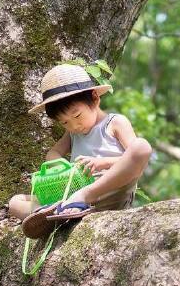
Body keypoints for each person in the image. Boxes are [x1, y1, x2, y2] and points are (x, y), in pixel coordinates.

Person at [9, 63, 153, 239]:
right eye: (65, 122)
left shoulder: (114, 123)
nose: (74, 126)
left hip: (108, 193)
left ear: (94, 98)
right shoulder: (72, 134)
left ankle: (80, 199)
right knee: (15, 202)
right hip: (71, 195)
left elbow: (136, 159)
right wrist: (59, 167)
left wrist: (103, 163)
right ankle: (52, 213)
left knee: (141, 146)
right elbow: (53, 154)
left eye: (77, 116)